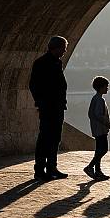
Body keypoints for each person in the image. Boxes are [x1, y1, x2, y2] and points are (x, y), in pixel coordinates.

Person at [29, 36, 69, 181]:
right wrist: (41, 103)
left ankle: (52, 167)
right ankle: (40, 169)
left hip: (58, 106)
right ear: (56, 48)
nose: (65, 51)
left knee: (55, 138)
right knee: (45, 137)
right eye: (63, 48)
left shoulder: (57, 63)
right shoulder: (41, 63)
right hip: (48, 107)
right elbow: (34, 85)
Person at [83, 76, 110, 181]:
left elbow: (90, 114)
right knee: (103, 149)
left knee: (99, 150)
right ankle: (90, 167)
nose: (107, 88)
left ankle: (98, 171)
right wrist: (109, 125)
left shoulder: (96, 98)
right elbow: (99, 115)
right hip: (101, 129)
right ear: (101, 87)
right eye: (106, 86)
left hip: (97, 129)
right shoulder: (99, 100)